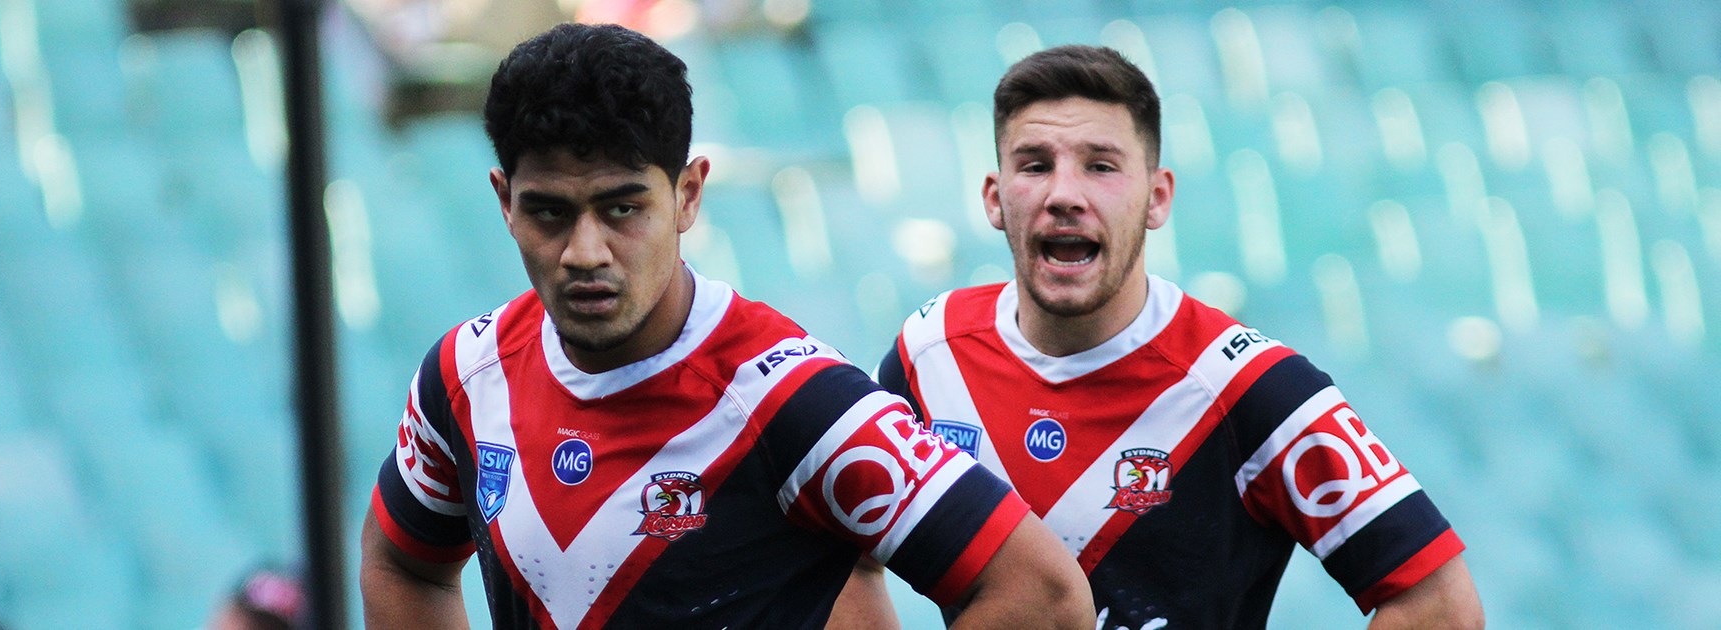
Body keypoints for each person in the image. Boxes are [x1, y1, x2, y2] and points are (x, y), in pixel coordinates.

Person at [357, 22, 1093, 629]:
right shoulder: (464, 375)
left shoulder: (792, 397)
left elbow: (1045, 596)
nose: (585, 252)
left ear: (688, 195)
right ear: (503, 201)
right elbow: (402, 564)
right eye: (550, 211)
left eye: (622, 208)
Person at [836, 46, 1484, 629]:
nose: (1064, 194)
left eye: (1101, 166)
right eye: (1035, 165)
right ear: (995, 198)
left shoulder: (1250, 385)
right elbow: (841, 562)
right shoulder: (930, 353)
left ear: (1157, 197)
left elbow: (1440, 603)